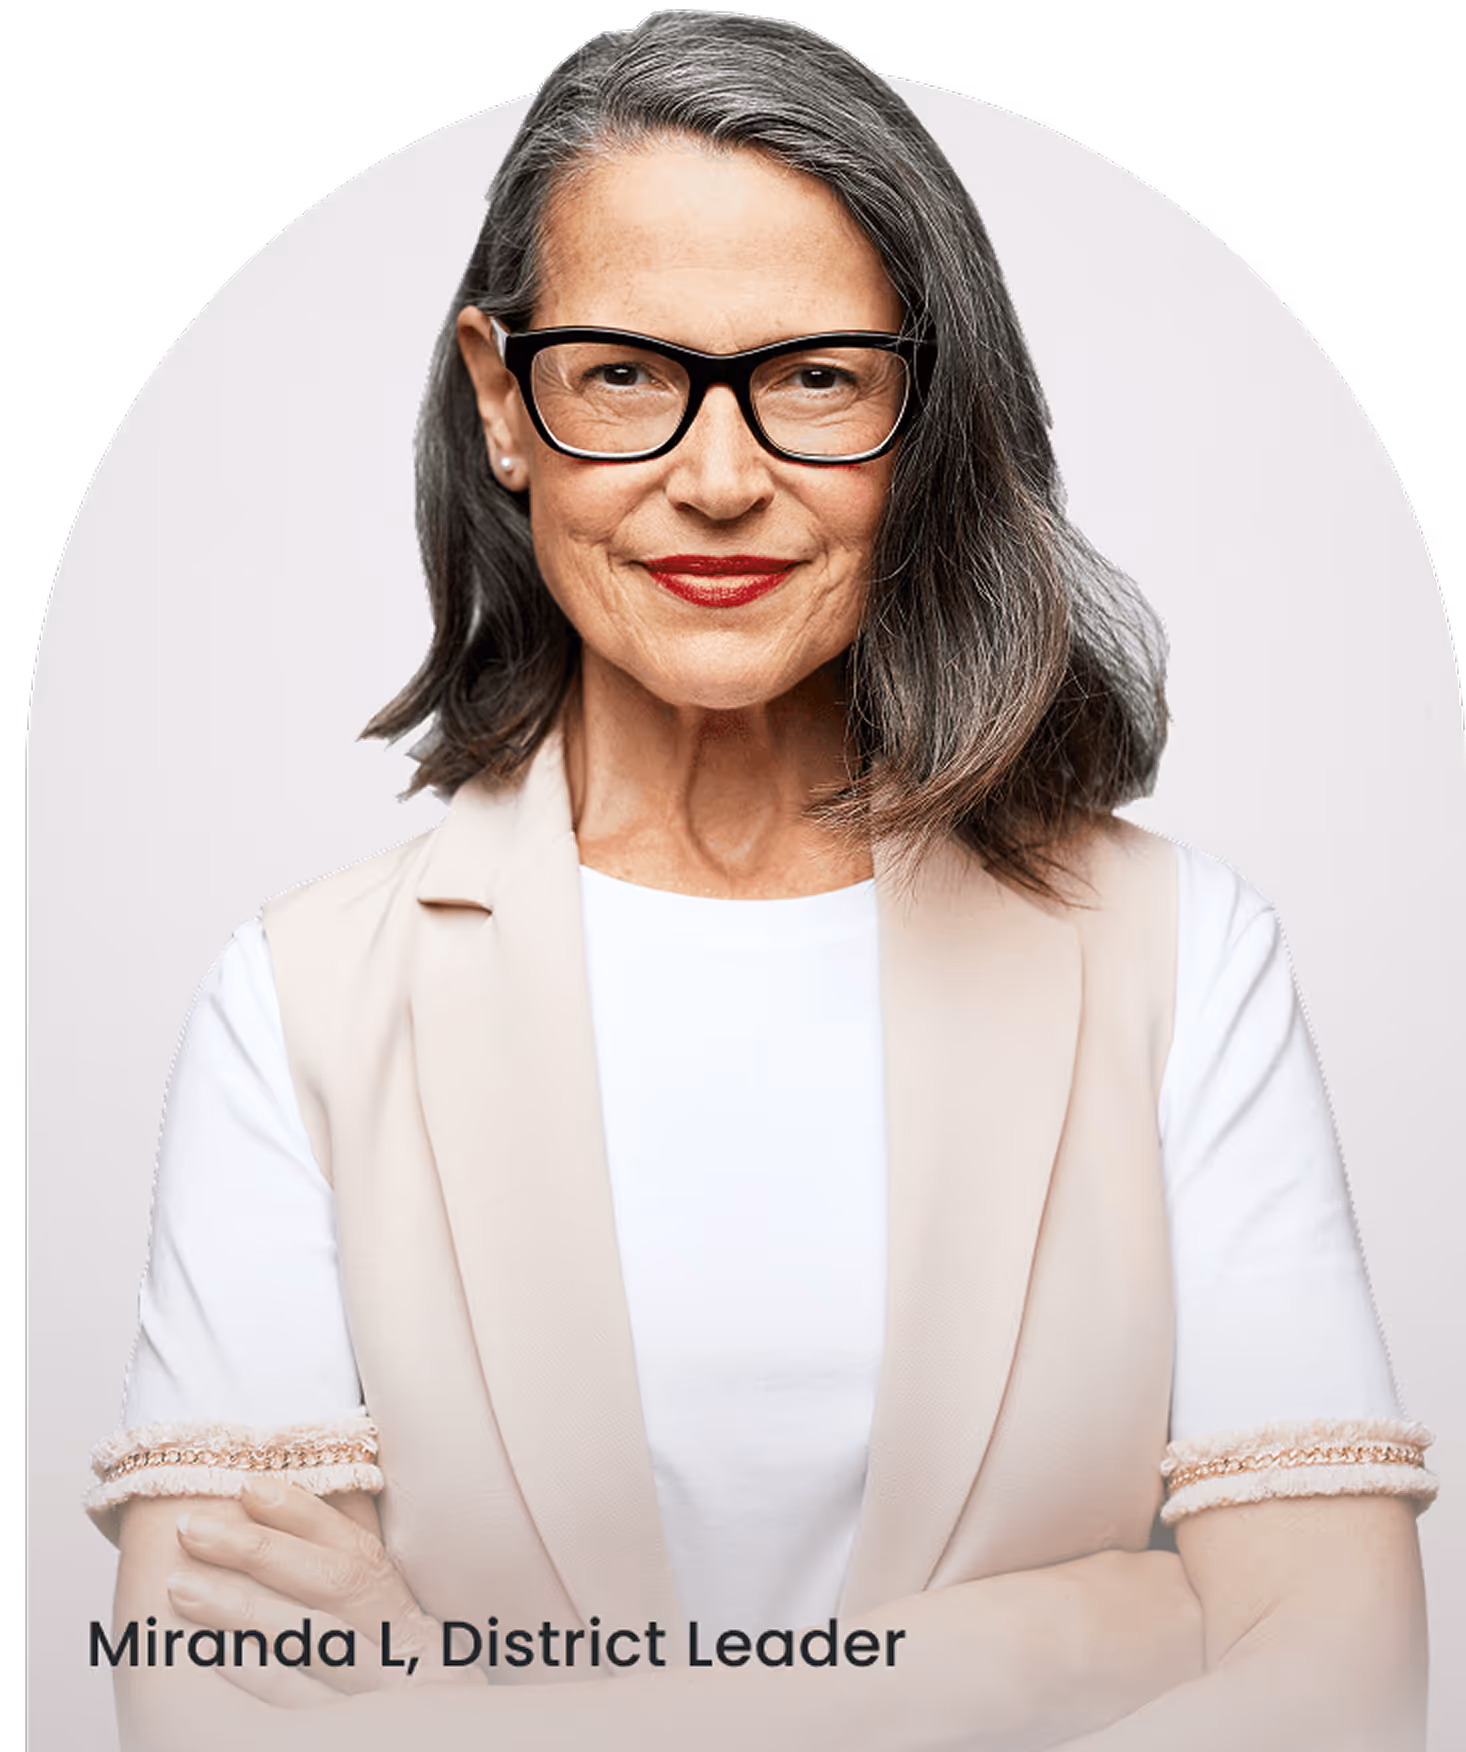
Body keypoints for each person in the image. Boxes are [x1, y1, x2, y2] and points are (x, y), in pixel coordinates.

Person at [87, 13, 1436, 1751]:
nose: (717, 481)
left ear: (921, 411)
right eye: (624, 373)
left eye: (813, 377)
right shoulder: (305, 1004)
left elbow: (1342, 1692)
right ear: (505, 403)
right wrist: (1072, 1644)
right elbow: (215, 1716)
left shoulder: (1177, 958)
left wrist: (479, 1695)